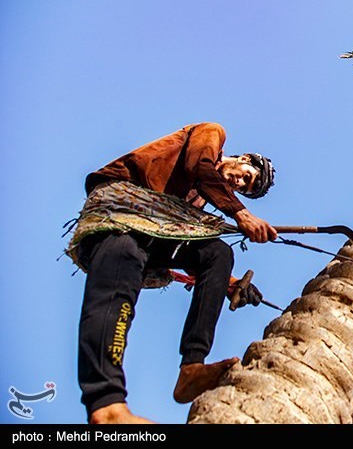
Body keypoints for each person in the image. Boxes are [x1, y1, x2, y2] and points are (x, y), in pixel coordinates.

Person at [73, 122, 277, 424]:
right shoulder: (211, 134)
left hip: (154, 233)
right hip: (120, 214)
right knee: (117, 292)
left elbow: (179, 250)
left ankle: (191, 368)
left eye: (243, 189)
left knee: (218, 254)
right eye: (245, 176)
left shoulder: (195, 204)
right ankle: (106, 405)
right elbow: (200, 165)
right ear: (244, 158)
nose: (238, 183)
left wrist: (228, 283)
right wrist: (241, 213)